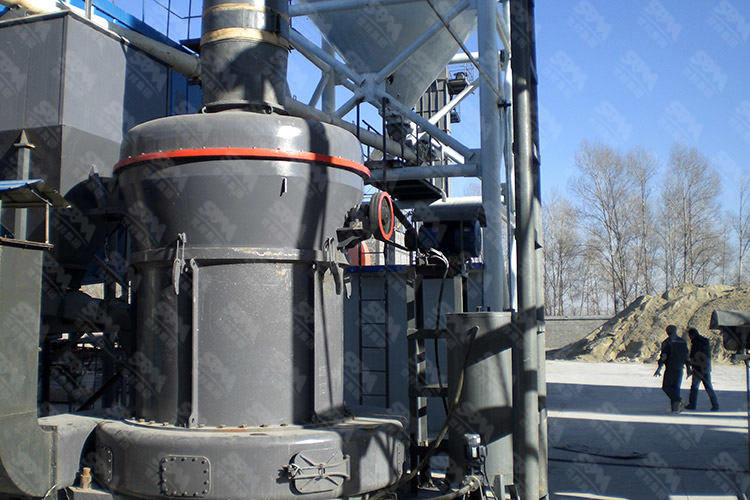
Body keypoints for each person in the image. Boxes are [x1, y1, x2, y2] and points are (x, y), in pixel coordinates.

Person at [653, 324, 690, 413]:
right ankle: (675, 409)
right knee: (676, 388)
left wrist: (659, 368)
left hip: (670, 368)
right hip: (680, 368)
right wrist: (688, 368)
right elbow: (686, 356)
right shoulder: (682, 342)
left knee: (666, 387)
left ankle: (679, 401)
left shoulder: (667, 342)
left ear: (668, 332)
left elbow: (664, 356)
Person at [685, 327, 719, 411]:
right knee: (708, 387)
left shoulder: (696, 343)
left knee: (694, 387)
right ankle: (715, 405)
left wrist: (691, 363)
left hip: (698, 368)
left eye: (690, 336)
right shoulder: (705, 342)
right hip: (706, 368)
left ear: (692, 335)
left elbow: (694, 356)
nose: (689, 338)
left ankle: (692, 405)